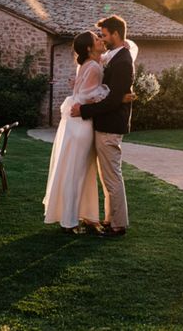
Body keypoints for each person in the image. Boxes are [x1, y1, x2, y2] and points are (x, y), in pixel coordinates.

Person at [71, 15, 134, 238]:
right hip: (105, 125)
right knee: (108, 177)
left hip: (110, 126)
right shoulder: (116, 56)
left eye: (105, 35)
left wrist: (84, 110)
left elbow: (113, 100)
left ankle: (118, 225)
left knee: (112, 177)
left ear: (116, 34)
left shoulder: (124, 61)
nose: (103, 39)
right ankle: (111, 219)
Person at [43, 31, 108, 232]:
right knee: (77, 173)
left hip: (75, 124)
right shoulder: (94, 67)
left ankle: (78, 216)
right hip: (82, 125)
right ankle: (70, 222)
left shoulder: (87, 64)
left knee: (75, 171)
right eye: (97, 40)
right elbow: (87, 97)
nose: (101, 40)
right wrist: (107, 92)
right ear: (89, 48)